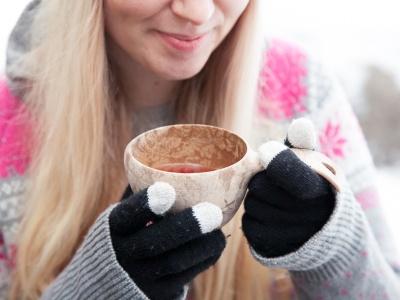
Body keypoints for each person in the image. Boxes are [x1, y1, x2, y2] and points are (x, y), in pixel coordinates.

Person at [1, 0, 399, 299]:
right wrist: (93, 289)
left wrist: (331, 251)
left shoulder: (303, 90)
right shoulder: (8, 128)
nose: (196, 11)